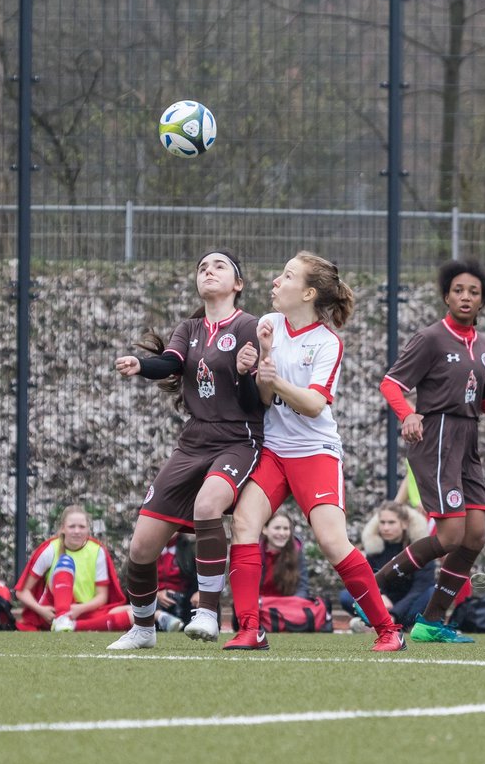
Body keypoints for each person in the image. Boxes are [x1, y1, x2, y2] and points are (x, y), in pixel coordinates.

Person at [224, 251, 406, 652]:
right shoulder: (267, 325)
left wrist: (275, 377)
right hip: (274, 451)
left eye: (286, 276)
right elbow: (267, 400)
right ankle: (250, 629)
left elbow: (313, 405)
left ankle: (388, 631)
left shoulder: (328, 344)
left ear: (307, 293)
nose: (275, 281)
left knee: (332, 542)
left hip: (314, 452)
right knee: (243, 524)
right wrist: (264, 362)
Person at [106, 249, 264, 650]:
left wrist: (246, 373)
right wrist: (143, 365)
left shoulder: (250, 327)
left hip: (237, 440)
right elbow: (171, 363)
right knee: (141, 546)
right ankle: (143, 630)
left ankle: (208, 613)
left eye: (219, 266)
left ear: (238, 284)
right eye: (202, 267)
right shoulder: (189, 328)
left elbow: (253, 403)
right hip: (192, 442)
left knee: (208, 505)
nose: (208, 271)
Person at [374, 258, 485, 643]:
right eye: (458, 290)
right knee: (450, 535)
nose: (465, 296)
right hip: (437, 437)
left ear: (482, 301)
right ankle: (369, 591)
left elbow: (484, 398)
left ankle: (430, 622)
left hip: (467, 440)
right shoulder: (431, 338)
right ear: (446, 295)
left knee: (474, 536)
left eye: (473, 292)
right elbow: (391, 384)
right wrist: (409, 415)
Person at [15, 505, 172, 632]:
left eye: (81, 526)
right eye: (72, 527)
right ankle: (62, 619)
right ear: (63, 528)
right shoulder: (50, 549)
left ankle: (71, 626)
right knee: (65, 563)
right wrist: (42, 610)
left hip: (83, 611)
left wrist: (79, 609)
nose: (77, 531)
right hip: (53, 612)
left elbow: (101, 597)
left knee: (132, 614)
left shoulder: (97, 551)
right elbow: (22, 591)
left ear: (88, 529)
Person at [342, 500, 452, 632]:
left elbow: (419, 588)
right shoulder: (375, 547)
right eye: (382, 522)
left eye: (391, 522)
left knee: (432, 593)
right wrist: (380, 595)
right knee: (346, 595)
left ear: (404, 524)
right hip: (383, 603)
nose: (385, 528)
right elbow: (369, 579)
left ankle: (384, 624)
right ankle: (381, 623)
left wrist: (394, 613)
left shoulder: (420, 549)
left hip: (411, 604)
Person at [257, 510, 311, 599]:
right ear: (265, 530)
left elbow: (303, 588)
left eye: (286, 528)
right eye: (277, 528)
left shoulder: (296, 552)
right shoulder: (254, 552)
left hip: (287, 607)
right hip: (259, 606)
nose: (282, 533)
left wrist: (293, 603)